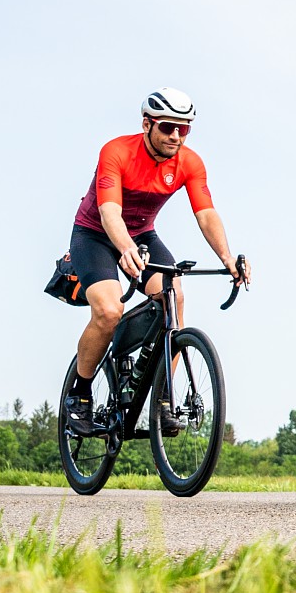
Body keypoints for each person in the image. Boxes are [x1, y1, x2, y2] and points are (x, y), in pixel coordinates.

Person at [62, 89, 249, 431]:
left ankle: (162, 399)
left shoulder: (189, 163)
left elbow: (206, 214)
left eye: (184, 129)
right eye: (167, 127)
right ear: (147, 124)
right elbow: (108, 212)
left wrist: (227, 258)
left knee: (173, 298)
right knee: (107, 311)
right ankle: (81, 393)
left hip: (142, 235)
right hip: (96, 234)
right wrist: (124, 249)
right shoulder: (116, 151)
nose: (176, 136)